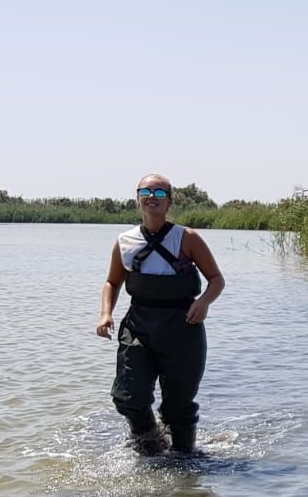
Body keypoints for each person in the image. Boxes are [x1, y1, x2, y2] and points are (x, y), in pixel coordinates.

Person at [96, 174, 226, 454]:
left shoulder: (187, 238)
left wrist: (204, 302)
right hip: (138, 328)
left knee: (179, 403)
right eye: (145, 192)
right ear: (137, 199)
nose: (151, 198)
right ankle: (150, 442)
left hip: (183, 327)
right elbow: (112, 282)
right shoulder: (124, 242)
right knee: (128, 395)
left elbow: (216, 279)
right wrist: (106, 314)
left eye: (159, 193)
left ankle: (184, 459)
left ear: (169, 202)